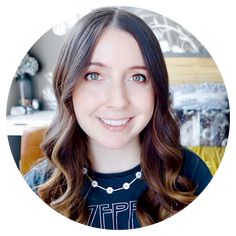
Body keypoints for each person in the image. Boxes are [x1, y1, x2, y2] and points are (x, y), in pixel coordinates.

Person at [24, 7, 212, 230]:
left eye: (137, 77)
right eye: (94, 75)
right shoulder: (39, 187)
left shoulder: (189, 175)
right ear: (68, 86)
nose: (118, 101)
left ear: (157, 91)